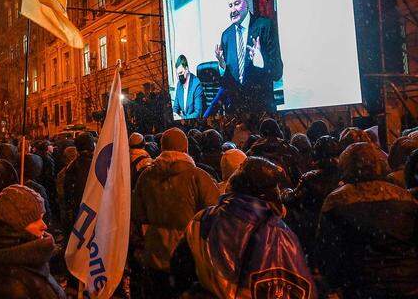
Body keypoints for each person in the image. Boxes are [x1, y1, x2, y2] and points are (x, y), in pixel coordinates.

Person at [171, 157, 315, 299]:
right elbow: (298, 285)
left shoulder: (202, 219)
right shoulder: (277, 232)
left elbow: (181, 268)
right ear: (267, 194)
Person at [316, 142, 418, 298]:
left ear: (345, 166)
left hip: (362, 286)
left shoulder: (335, 201)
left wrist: (334, 284)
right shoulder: (405, 197)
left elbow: (328, 252)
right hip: (407, 283)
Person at [132, 127, 220, 298]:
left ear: (162, 148)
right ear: (185, 149)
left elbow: (138, 214)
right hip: (189, 257)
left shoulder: (146, 176)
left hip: (155, 255)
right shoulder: (198, 177)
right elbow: (214, 216)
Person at [0, 185, 65, 298]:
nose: (44, 226)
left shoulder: (31, 255)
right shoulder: (8, 283)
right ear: (16, 225)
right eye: (36, 219)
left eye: (42, 217)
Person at [215, 0, 283, 114]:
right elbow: (227, 83)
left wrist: (261, 62)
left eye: (237, 3)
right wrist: (222, 66)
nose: (233, 10)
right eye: (230, 5)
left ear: (247, 2)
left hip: (262, 111)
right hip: (237, 114)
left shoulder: (264, 26)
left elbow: (277, 72)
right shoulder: (226, 36)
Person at [172, 55, 204, 120]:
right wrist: (174, 114)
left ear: (187, 69)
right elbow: (176, 106)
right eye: (177, 74)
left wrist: (183, 119)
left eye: (181, 73)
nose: (179, 77)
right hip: (183, 122)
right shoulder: (179, 84)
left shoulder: (196, 84)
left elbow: (198, 113)